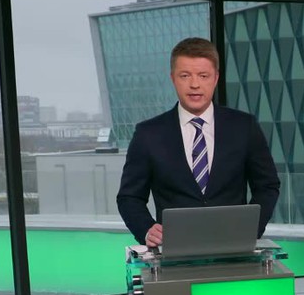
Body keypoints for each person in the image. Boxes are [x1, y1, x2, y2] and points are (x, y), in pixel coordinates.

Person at [116, 37, 280, 247]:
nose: (195, 84)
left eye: (203, 76)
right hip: (173, 250)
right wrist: (146, 229)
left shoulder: (244, 127)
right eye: (185, 76)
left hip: (234, 247)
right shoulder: (148, 134)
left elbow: (267, 185)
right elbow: (129, 197)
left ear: (216, 78)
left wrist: (250, 229)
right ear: (173, 78)